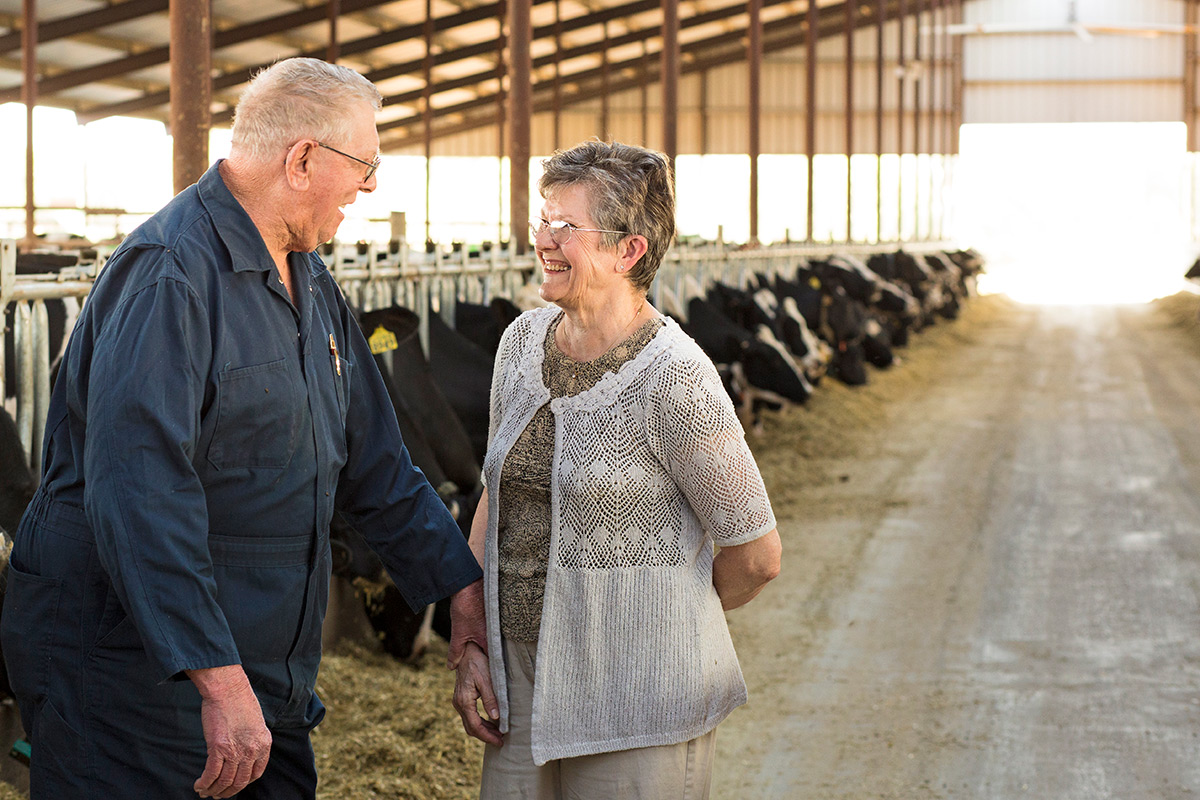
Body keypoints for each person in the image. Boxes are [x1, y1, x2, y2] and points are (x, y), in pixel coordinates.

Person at [1, 57, 485, 799]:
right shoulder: (172, 274)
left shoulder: (310, 276)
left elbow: (376, 462)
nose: (373, 186)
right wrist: (217, 681)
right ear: (302, 159)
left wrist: (460, 589)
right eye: (367, 163)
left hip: (258, 666)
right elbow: (140, 494)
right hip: (136, 668)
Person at [448, 140, 782, 798]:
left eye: (565, 227)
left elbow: (757, 554)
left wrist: (660, 619)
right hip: (520, 683)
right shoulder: (520, 345)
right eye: (543, 219)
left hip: (637, 697)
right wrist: (471, 630)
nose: (543, 239)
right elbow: (499, 490)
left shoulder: (673, 379)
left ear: (628, 251)